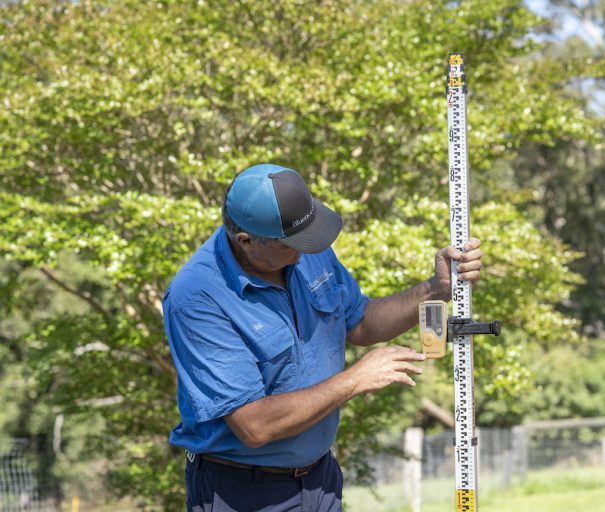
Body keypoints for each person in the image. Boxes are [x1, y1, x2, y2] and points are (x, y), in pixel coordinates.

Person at [163, 163, 483, 512]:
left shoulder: (304, 250)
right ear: (246, 240)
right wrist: (355, 379)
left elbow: (359, 323)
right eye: (292, 245)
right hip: (241, 492)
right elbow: (254, 426)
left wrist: (436, 289)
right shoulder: (197, 296)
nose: (305, 252)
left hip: (320, 480)